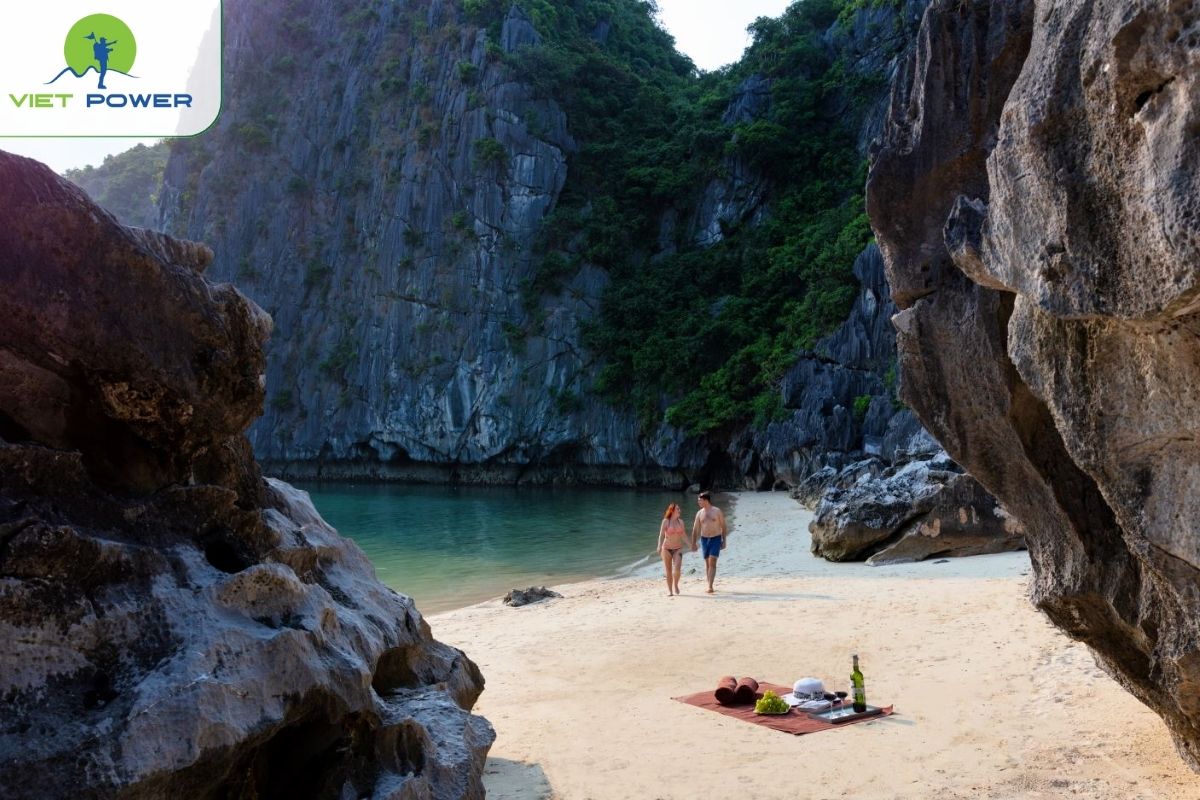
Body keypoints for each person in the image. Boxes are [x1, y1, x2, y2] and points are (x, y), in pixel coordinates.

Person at [691, 491, 727, 594]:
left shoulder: (717, 511)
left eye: (700, 500)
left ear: (706, 500)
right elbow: (695, 529)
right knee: (707, 563)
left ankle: (710, 586)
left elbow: (723, 526)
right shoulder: (699, 513)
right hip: (704, 539)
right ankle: (709, 584)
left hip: (716, 538)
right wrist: (693, 543)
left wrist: (724, 541)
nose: (698, 502)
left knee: (713, 562)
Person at [656, 503, 689, 596]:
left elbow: (683, 535)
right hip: (666, 548)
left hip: (678, 548)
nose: (679, 510)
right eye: (677, 509)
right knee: (668, 571)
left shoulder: (681, 522)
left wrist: (691, 545)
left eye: (679, 509)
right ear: (672, 511)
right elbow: (661, 535)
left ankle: (676, 584)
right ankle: (670, 591)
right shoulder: (665, 521)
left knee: (677, 569)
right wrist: (659, 545)